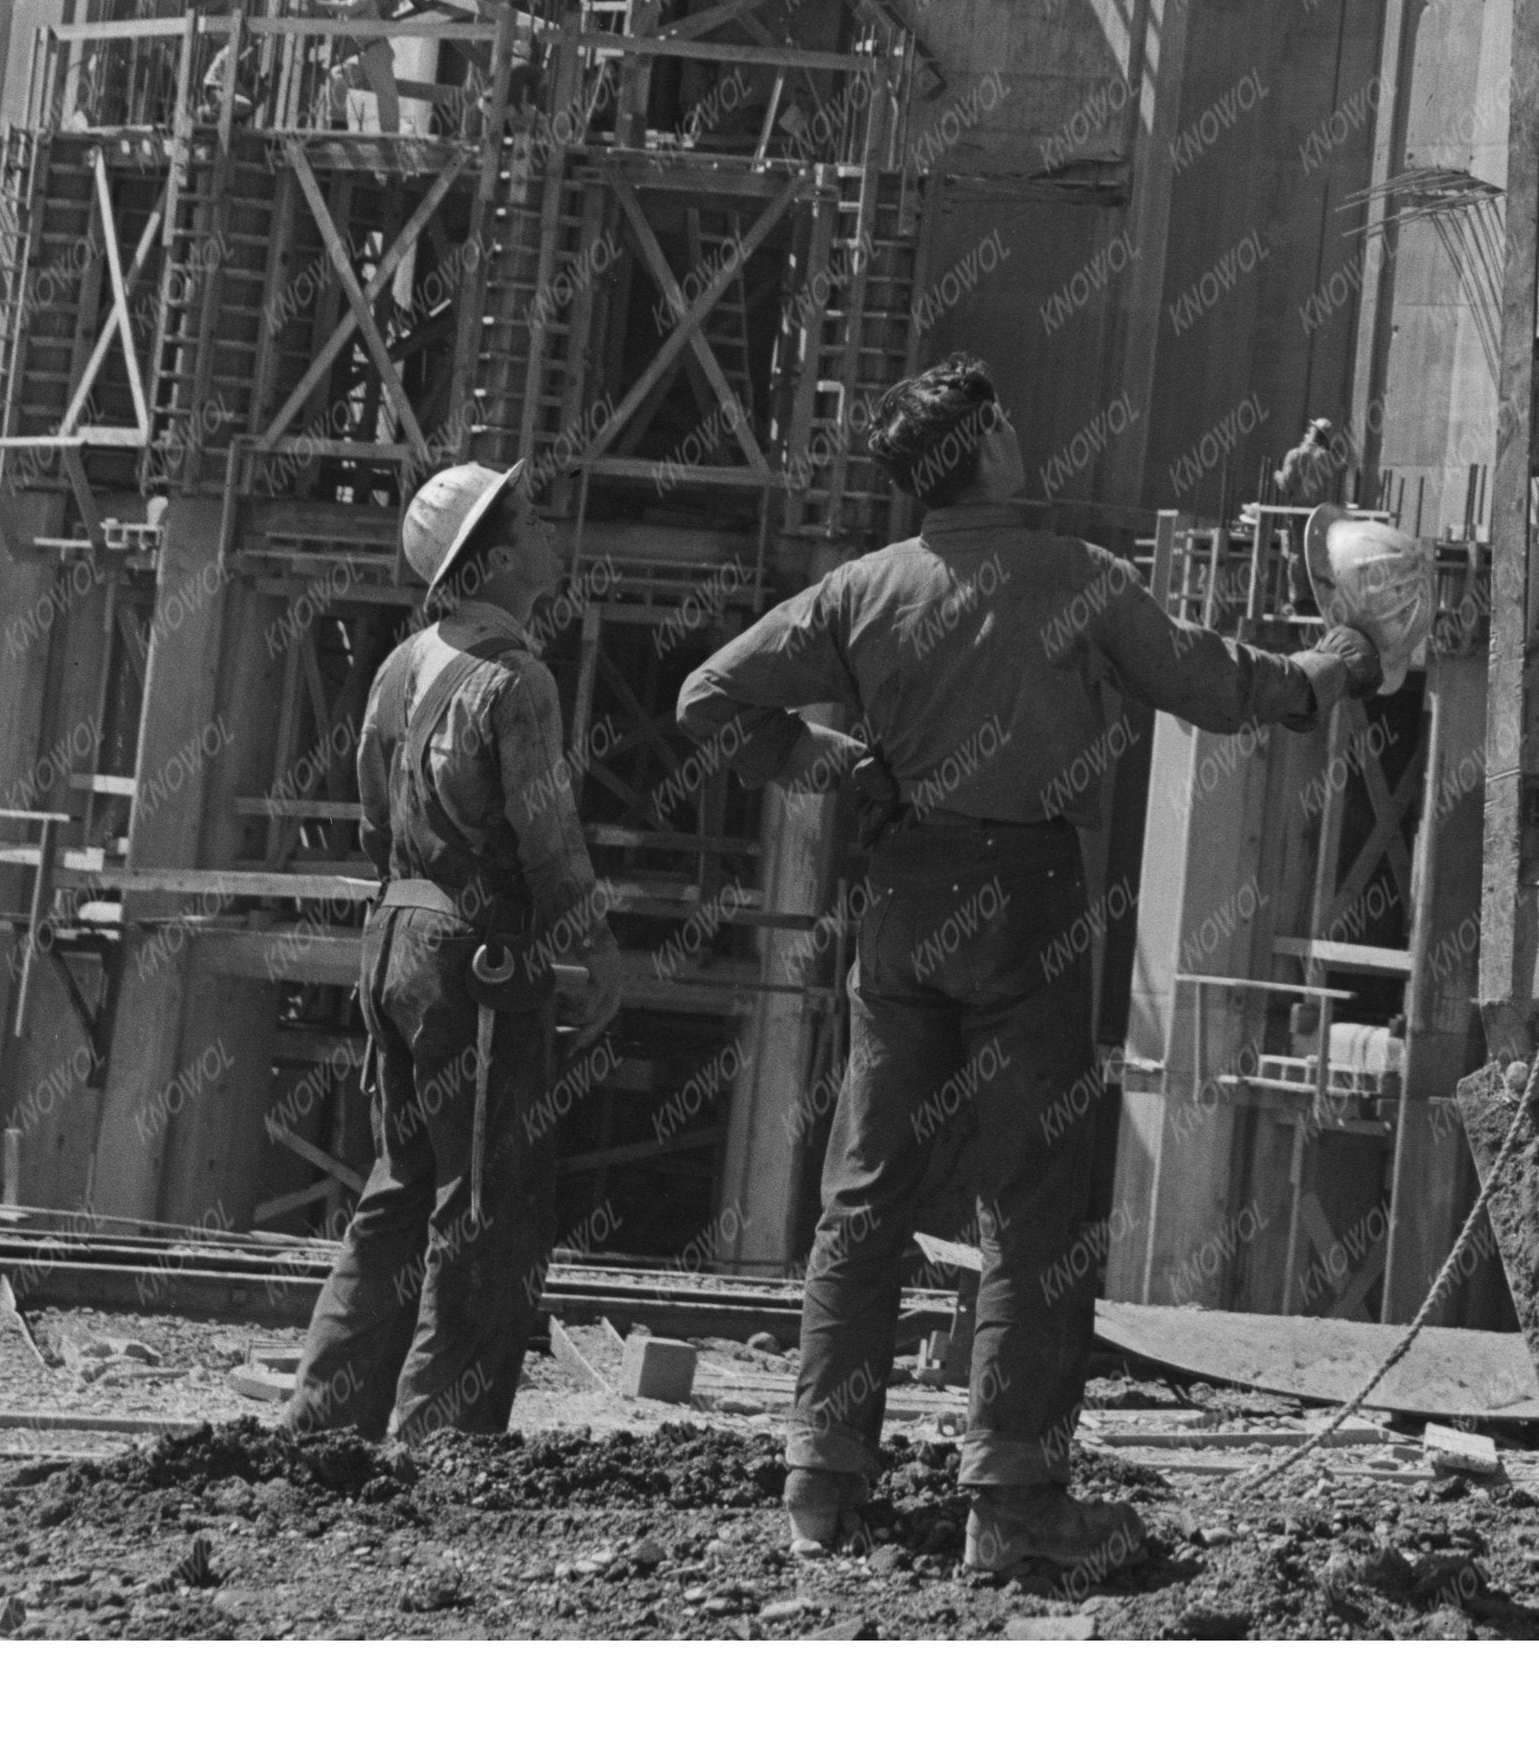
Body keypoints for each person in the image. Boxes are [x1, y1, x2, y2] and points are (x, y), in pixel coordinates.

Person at [676, 360, 1381, 1586]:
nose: (1019, 431)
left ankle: (819, 1484)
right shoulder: (1076, 578)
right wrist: (1331, 666)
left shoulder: (862, 590)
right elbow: (1213, 688)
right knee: (1036, 1209)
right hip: (1027, 909)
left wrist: (828, 763)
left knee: (865, 1194)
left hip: (903, 899)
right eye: (1003, 420)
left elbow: (707, 696)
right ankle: (1009, 1498)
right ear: (986, 447)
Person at [285, 458, 626, 1445]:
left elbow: (369, 812)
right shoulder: (515, 681)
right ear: (494, 559)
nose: (551, 529)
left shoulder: (402, 667)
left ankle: (326, 1419)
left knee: (399, 1187)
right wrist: (593, 946)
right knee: (487, 1203)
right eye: (533, 519)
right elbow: (546, 836)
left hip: (394, 939)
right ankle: (447, 1440)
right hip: (471, 964)